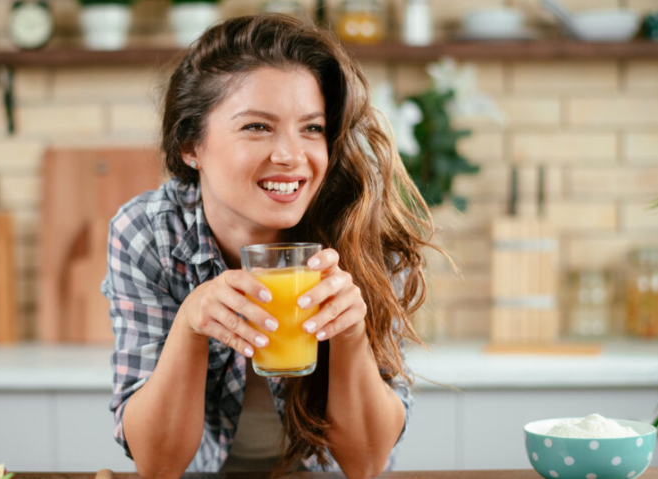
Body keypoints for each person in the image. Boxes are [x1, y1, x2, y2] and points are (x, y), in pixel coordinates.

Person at [101, 13, 437, 479]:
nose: (291, 155)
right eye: (258, 127)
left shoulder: (362, 233)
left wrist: (349, 335)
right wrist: (192, 326)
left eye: (312, 128)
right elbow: (157, 466)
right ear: (189, 145)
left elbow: (365, 464)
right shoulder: (148, 234)